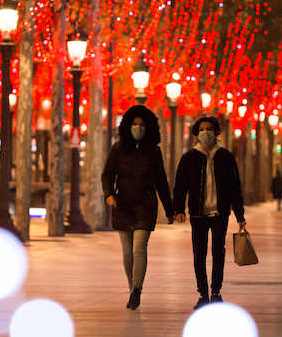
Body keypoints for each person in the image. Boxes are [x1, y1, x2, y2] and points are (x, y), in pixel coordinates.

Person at [102, 105, 174, 310]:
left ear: (148, 127)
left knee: (139, 248)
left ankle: (137, 290)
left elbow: (161, 181)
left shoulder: (154, 152)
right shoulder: (118, 149)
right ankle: (132, 287)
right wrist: (109, 194)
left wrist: (169, 210)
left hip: (145, 204)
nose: (138, 128)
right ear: (127, 126)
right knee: (127, 252)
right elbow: (107, 174)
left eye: (142, 124)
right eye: (134, 124)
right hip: (122, 204)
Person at [173, 116, 246, 310]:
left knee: (218, 252)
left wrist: (240, 215)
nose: (206, 132)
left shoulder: (226, 157)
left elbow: (235, 187)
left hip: (220, 214)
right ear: (197, 133)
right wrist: (178, 209)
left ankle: (216, 291)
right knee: (199, 254)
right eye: (202, 129)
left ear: (216, 133)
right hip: (198, 214)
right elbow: (180, 186)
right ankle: (202, 293)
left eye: (210, 129)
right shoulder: (189, 158)